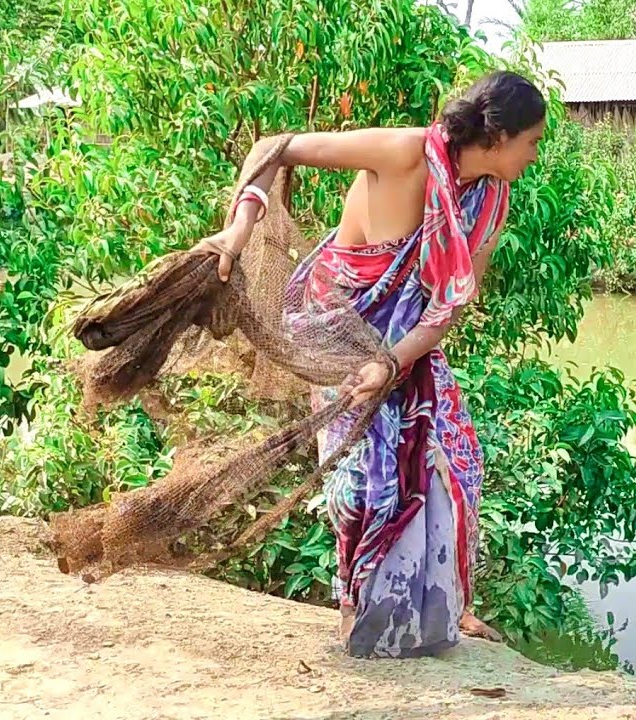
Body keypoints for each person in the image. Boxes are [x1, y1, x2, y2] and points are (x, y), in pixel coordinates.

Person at [192, 70, 546, 658]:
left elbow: (449, 306)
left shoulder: (490, 199)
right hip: (336, 332)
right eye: (532, 141)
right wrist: (236, 234)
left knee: (453, 459)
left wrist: (394, 360)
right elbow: (270, 150)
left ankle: (449, 606)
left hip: (405, 344)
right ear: (500, 135)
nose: (535, 156)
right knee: (362, 483)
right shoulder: (402, 152)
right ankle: (354, 606)